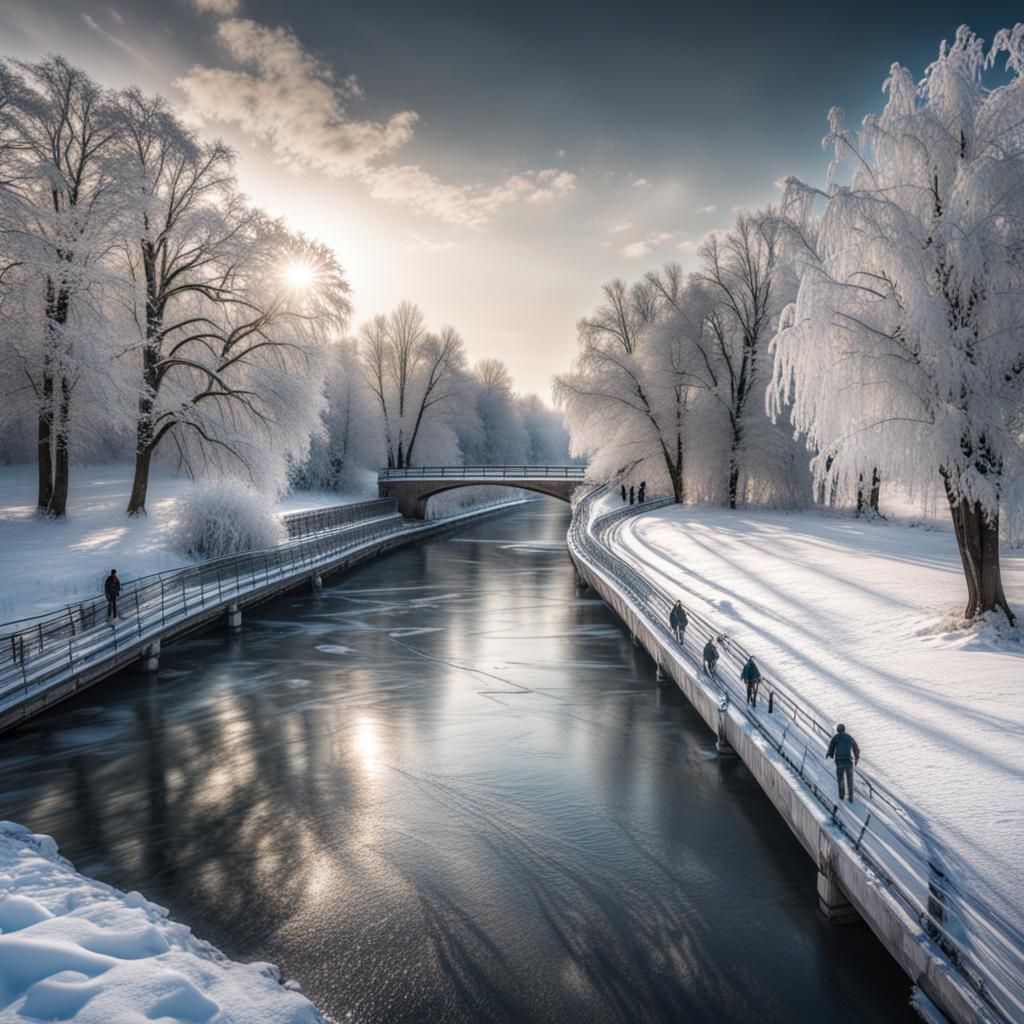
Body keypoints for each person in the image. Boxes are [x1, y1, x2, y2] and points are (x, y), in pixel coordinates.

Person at [826, 724, 861, 803]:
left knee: (840, 779)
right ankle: (851, 798)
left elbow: (831, 748)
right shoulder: (849, 737)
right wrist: (856, 759)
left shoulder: (835, 737)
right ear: (844, 729)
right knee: (850, 780)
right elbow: (856, 749)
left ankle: (841, 796)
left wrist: (829, 754)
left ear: (838, 730)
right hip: (849, 761)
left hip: (839, 761)